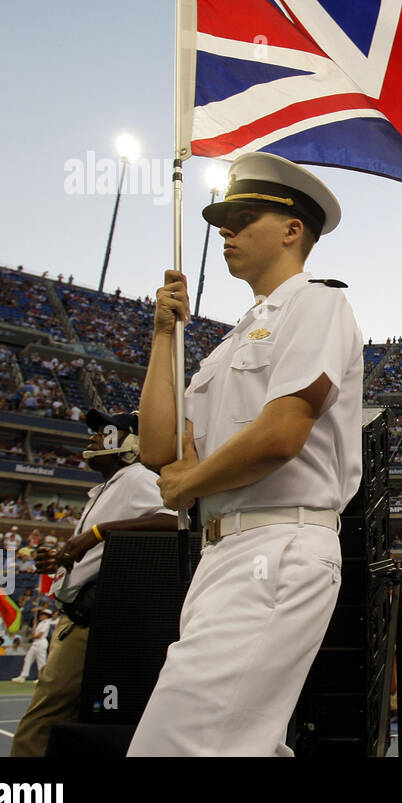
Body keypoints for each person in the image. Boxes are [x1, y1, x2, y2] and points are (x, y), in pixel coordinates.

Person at [129, 151, 363, 756]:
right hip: (223, 553)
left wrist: (190, 484)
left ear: (292, 230)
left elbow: (283, 431)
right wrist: (163, 335)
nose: (226, 232)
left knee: (173, 746)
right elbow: (158, 448)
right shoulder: (230, 340)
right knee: (242, 744)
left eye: (242, 218)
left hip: (279, 543)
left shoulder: (317, 303)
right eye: (223, 222)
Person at [9, 410, 175, 756]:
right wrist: (60, 557)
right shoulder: (107, 487)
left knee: (42, 718)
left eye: (105, 432)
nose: (93, 437)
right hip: (80, 615)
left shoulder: (136, 478)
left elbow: (173, 520)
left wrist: (96, 533)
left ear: (130, 443)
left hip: (90, 621)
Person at [11, 610, 53, 683]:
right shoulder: (40, 623)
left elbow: (40, 635)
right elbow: (34, 632)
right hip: (36, 643)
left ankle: (41, 678)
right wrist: (34, 624)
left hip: (41, 642)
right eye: (40, 615)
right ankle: (23, 676)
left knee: (41, 661)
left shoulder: (46, 623)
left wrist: (32, 638)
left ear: (46, 616)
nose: (40, 616)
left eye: (42, 615)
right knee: (28, 658)